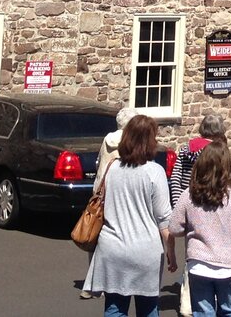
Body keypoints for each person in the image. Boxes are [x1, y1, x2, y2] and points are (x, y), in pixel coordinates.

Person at [86, 113, 173, 317]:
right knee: (148, 307)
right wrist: (171, 252)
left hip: (112, 247)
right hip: (145, 250)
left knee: (114, 308)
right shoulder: (155, 172)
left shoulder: (112, 168)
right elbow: (163, 218)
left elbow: (100, 197)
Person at [166, 142, 231, 317]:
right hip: (229, 266)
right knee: (229, 312)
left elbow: (174, 228)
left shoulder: (189, 194)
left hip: (198, 265)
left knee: (203, 312)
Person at [171, 115, 228, 317]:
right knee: (211, 254)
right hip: (211, 205)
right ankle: (206, 300)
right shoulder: (217, 151)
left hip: (188, 204)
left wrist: (178, 203)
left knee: (191, 255)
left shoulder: (187, 148)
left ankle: (188, 303)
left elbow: (176, 176)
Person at [86, 106, 137, 299]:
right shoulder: (130, 143)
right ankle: (116, 280)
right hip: (118, 193)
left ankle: (91, 285)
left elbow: (98, 163)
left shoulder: (107, 139)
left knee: (95, 234)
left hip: (100, 191)